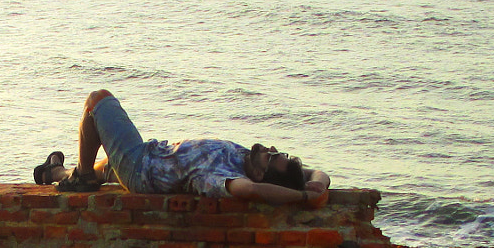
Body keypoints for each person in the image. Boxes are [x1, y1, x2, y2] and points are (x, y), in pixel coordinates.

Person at [34, 89, 332, 205]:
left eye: (272, 158)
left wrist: (304, 199)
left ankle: (82, 176)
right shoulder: (246, 159)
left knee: (98, 101)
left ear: (262, 175)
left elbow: (250, 192)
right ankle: (55, 172)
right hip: (153, 154)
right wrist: (316, 185)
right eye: (276, 152)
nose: (270, 150)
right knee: (97, 170)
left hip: (140, 168)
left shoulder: (227, 176)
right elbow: (315, 173)